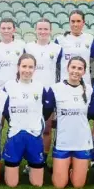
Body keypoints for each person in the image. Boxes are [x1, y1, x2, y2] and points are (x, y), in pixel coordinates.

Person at [2, 54, 54, 187]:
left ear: (35, 69)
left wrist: (36, 120)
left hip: (34, 136)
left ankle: (32, 166)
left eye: (30, 67)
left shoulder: (40, 87)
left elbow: (47, 108)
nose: (27, 70)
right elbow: (4, 109)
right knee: (11, 184)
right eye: (24, 66)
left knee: (37, 184)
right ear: (18, 67)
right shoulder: (8, 86)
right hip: (15, 135)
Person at [45, 56, 93, 189]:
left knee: (78, 185)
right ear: (67, 68)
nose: (76, 71)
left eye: (80, 68)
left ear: (84, 71)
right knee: (59, 185)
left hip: (82, 142)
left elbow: (92, 113)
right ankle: (65, 168)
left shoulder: (89, 90)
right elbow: (46, 112)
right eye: (73, 67)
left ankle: (75, 168)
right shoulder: (55, 88)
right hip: (63, 142)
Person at [24, 19, 62, 166]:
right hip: (31, 90)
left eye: (46, 29)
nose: (43, 32)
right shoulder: (28, 47)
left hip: (49, 92)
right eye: (40, 29)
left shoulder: (57, 48)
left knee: (46, 128)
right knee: (30, 128)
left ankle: (43, 160)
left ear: (50, 31)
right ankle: (30, 161)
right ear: (35, 30)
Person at [55, 10, 94, 86]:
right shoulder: (60, 40)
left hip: (85, 84)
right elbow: (56, 62)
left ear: (83, 23)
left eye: (78, 21)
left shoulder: (90, 39)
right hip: (65, 84)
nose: (75, 24)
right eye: (73, 21)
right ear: (69, 22)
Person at [0, 18, 25, 90]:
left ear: (14, 30)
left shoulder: (22, 45)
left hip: (17, 87)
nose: (6, 31)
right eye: (3, 28)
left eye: (9, 28)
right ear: (0, 29)